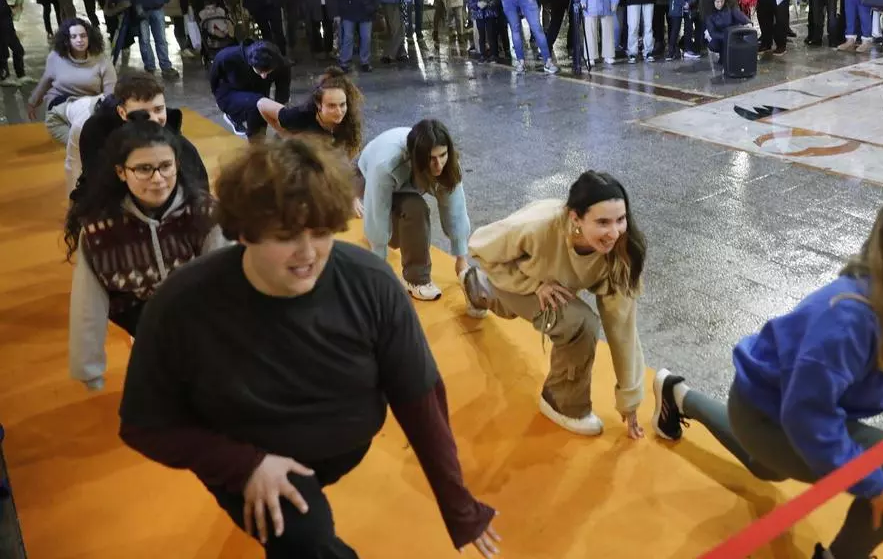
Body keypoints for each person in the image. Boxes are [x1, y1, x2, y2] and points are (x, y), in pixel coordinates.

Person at [117, 137, 501, 558]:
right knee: (306, 541)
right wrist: (243, 466)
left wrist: (458, 505)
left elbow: (418, 398)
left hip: (342, 448)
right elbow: (143, 423)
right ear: (243, 232)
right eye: (285, 236)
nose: (306, 253)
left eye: (320, 232)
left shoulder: (371, 284)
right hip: (249, 452)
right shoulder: (182, 304)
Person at [652, 196, 883, 559]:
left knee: (766, 467)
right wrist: (877, 483)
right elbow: (808, 418)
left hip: (793, 405)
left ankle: (678, 395)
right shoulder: (845, 322)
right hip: (766, 412)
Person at [463, 171, 647, 439]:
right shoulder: (537, 227)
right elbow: (479, 246)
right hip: (517, 275)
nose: (614, 232)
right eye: (603, 222)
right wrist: (534, 285)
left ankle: (477, 286)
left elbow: (622, 327)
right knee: (579, 324)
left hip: (545, 280)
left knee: (512, 309)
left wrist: (630, 401)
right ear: (575, 218)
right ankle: (562, 403)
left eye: (621, 220)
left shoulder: (621, 252)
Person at [66, 118, 223, 390]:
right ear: (121, 172)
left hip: (200, 318)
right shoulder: (99, 230)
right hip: (139, 318)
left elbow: (223, 284)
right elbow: (88, 303)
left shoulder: (204, 213)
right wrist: (87, 366)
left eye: (166, 166)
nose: (158, 179)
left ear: (177, 164)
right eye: (143, 169)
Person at [358, 120, 470, 302]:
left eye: (442, 155)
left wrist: (461, 260)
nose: (439, 164)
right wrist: (378, 260)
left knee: (412, 212)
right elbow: (376, 211)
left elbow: (455, 209)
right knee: (414, 209)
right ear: (417, 156)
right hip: (367, 173)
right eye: (432, 158)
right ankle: (416, 280)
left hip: (412, 175)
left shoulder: (448, 164)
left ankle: (414, 274)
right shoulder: (386, 166)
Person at [73, 70, 208, 200]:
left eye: (159, 109)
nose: (154, 119)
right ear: (122, 112)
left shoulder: (180, 144)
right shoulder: (97, 133)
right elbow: (95, 183)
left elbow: (199, 187)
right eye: (143, 114)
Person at [27, 17, 116, 144]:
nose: (79, 40)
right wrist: (33, 102)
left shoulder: (101, 60)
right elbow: (46, 81)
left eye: (83, 36)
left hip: (89, 108)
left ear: (89, 38)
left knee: (86, 142)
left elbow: (110, 93)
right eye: (73, 37)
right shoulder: (55, 57)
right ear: (66, 40)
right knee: (81, 143)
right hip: (59, 107)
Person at [257, 67, 364, 163]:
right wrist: (285, 133)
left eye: (342, 104)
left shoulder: (350, 118)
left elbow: (353, 148)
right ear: (318, 104)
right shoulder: (299, 116)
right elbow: (262, 104)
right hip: (289, 159)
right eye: (331, 106)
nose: (339, 112)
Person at [210, 39, 291, 137]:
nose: (264, 76)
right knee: (257, 105)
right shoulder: (227, 57)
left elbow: (282, 92)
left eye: (268, 71)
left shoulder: (281, 64)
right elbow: (214, 80)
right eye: (260, 71)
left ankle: (259, 139)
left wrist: (281, 117)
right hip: (230, 92)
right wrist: (221, 101)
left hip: (258, 91)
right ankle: (254, 142)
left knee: (263, 107)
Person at [701, 0, 752, 65]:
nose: (720, 4)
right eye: (717, 2)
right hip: (720, 36)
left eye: (722, 1)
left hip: (732, 32)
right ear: (713, 2)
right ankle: (723, 56)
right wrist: (726, 36)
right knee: (714, 45)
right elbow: (712, 32)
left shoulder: (729, 7)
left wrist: (748, 22)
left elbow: (739, 15)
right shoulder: (709, 13)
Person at [0, 0, 28, 87]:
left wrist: (14, 8)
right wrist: (11, 10)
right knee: (3, 54)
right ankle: (4, 77)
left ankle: (21, 75)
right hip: (1, 29)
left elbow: (3, 6)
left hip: (8, 27)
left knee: (18, 50)